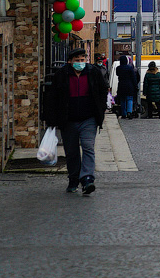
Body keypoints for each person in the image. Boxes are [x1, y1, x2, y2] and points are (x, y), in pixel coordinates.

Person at [43, 48, 108, 195]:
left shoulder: (93, 72)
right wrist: (51, 118)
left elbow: (103, 90)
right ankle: (73, 178)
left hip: (89, 118)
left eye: (82, 60)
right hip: (68, 120)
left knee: (88, 147)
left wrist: (101, 108)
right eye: (77, 60)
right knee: (71, 151)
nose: (80, 63)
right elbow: (52, 96)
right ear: (70, 62)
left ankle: (87, 178)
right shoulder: (62, 75)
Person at [115, 55, 139, 119]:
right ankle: (129, 112)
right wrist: (136, 86)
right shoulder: (130, 68)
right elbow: (133, 78)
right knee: (129, 99)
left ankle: (124, 113)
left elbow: (117, 74)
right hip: (129, 85)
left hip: (121, 85)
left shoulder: (118, 68)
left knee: (122, 100)